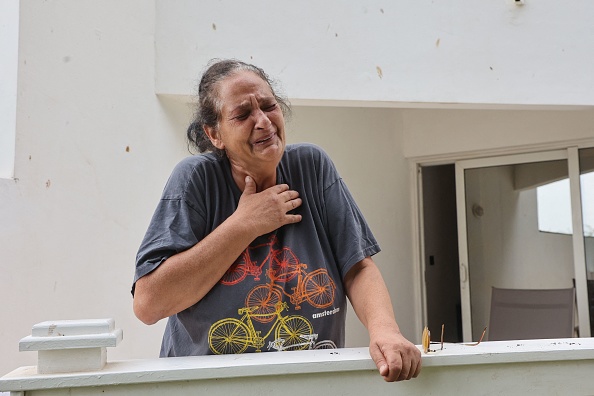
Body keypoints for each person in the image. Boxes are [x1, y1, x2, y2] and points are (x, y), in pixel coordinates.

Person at [132, 59, 421, 382]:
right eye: (242, 114)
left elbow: (358, 267)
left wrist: (385, 331)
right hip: (210, 388)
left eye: (269, 106)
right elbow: (149, 303)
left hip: (307, 385)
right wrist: (244, 225)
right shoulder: (196, 180)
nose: (263, 122)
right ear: (215, 134)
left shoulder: (311, 167)